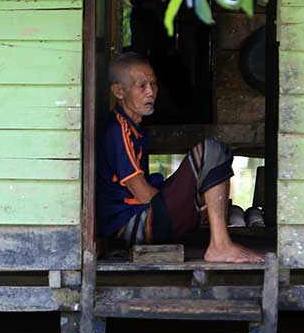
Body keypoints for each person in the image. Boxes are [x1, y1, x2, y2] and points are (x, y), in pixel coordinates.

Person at [97, 52, 264, 264]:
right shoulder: (117, 130)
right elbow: (142, 193)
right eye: (141, 86)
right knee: (210, 150)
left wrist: (192, 202)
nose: (150, 92)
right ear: (119, 91)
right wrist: (188, 203)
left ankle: (220, 242)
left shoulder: (134, 129)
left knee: (211, 162)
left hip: (140, 221)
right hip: (133, 226)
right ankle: (220, 245)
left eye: (153, 84)